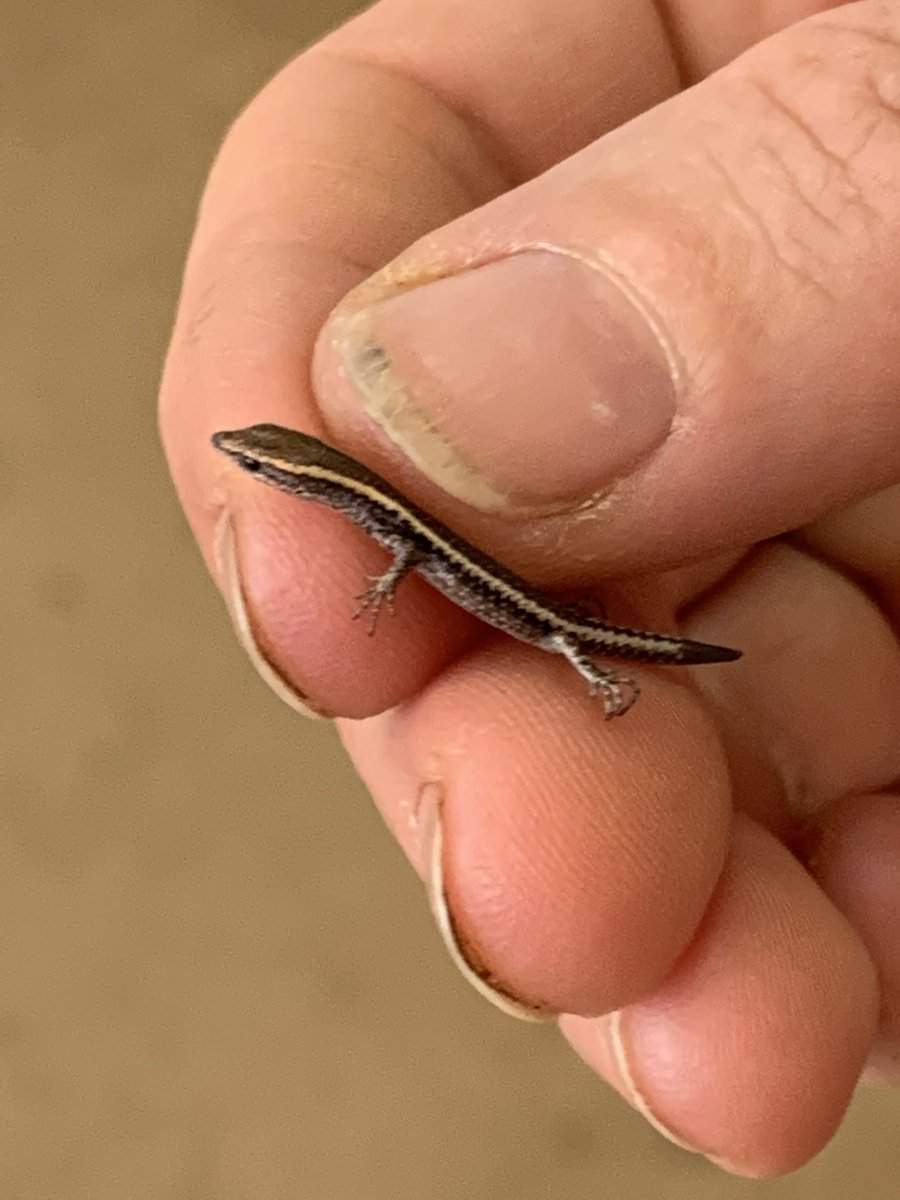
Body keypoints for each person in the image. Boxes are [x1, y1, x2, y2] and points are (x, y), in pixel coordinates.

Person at [159, 0, 900, 1176]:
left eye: (263, 466)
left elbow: (410, 551)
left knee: (566, 649)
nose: (254, 466)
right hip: (531, 591)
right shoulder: (359, 500)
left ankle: (604, 671)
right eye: (258, 462)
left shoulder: (375, 504)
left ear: (296, 478)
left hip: (551, 616)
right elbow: (400, 542)